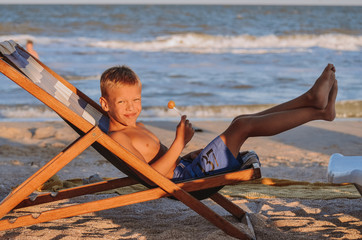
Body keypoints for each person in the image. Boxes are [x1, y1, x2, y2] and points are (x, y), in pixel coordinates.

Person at [99, 64, 338, 181]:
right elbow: (151, 177)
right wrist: (180, 142)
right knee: (242, 127)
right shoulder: (118, 137)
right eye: (122, 102)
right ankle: (317, 110)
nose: (131, 108)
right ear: (106, 104)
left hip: (188, 166)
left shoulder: (134, 127)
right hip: (187, 177)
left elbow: (161, 158)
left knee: (239, 121)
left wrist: (189, 153)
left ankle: (311, 101)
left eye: (136, 100)